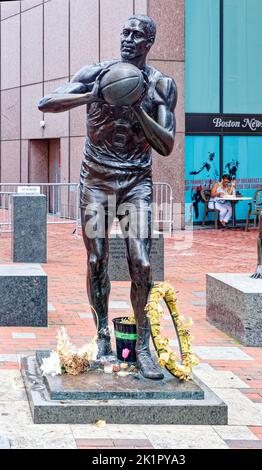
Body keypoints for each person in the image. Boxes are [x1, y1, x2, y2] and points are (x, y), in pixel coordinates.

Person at [38, 15, 177, 380]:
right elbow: (46, 102)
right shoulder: (96, 72)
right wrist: (93, 94)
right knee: (97, 258)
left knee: (142, 263)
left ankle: (143, 346)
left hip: (136, 183)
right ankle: (101, 336)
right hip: (97, 180)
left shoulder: (161, 84)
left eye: (137, 35)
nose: (128, 40)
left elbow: (165, 144)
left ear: (149, 42)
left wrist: (135, 107)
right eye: (125, 33)